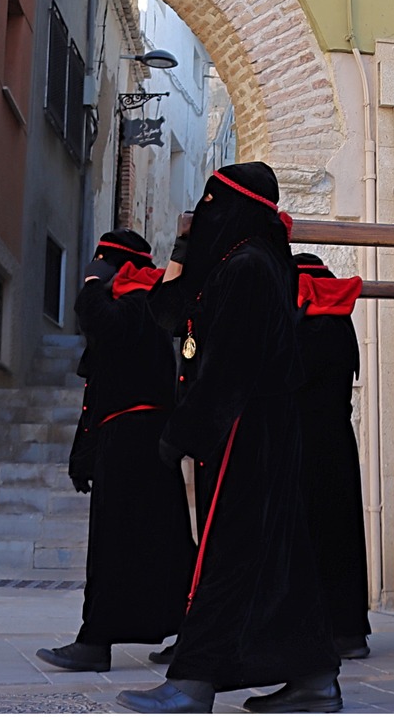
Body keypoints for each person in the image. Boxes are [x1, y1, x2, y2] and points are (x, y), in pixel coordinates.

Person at [118, 164, 341, 715]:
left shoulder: (249, 266)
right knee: (278, 555)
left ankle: (194, 681)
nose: (204, 212)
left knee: (228, 554)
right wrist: (182, 249)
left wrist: (186, 431)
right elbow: (167, 314)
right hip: (252, 426)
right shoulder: (234, 261)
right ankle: (314, 677)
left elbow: (229, 368)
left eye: (212, 203)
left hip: (246, 427)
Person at [41, 231, 193, 673]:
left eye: (100, 264)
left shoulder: (140, 300)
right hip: (127, 440)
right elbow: (100, 391)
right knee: (153, 544)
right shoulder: (136, 301)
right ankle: (184, 631)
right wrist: (84, 455)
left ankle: (96, 641)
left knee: (121, 548)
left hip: (136, 441)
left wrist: (91, 285)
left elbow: (99, 323)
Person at [293, 253, 371, 661]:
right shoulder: (340, 321)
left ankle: (314, 630)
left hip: (301, 443)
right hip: (337, 442)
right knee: (340, 536)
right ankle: (348, 631)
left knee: (308, 537)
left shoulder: (303, 324)